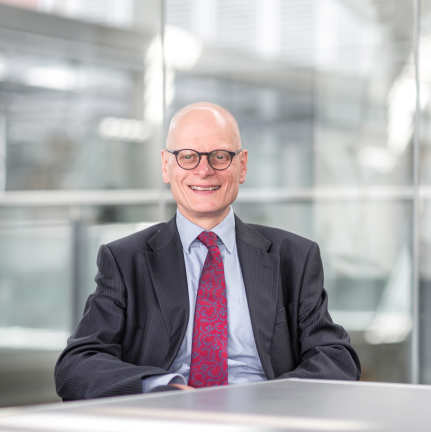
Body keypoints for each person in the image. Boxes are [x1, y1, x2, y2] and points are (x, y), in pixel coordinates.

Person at [55, 102, 361, 400]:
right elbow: (76, 366)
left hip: (265, 418)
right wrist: (160, 388)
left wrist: (273, 398)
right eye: (188, 156)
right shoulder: (125, 260)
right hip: (167, 420)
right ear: (166, 165)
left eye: (220, 156)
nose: (204, 170)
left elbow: (336, 357)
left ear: (242, 165)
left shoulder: (293, 257)